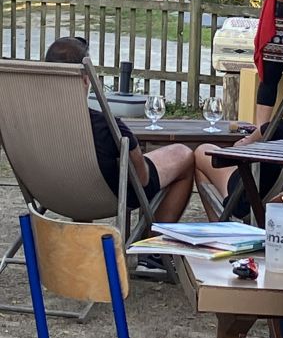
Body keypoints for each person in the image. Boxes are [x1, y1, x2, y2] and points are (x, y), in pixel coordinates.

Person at [43, 37, 195, 227]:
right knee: (184, 154)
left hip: (50, 192)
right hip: (106, 196)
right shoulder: (106, 126)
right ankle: (152, 250)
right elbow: (142, 179)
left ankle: (82, 240)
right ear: (84, 79)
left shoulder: (29, 121)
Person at [192, 50, 283, 219]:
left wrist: (248, 140)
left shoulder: (274, 129)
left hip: (254, 198)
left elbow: (237, 150)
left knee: (202, 152)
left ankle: (221, 227)